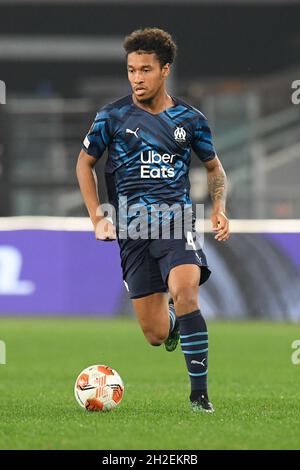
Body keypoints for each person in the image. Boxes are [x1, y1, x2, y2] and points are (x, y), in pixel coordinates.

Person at [76, 27, 229, 413]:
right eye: (131, 70)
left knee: (187, 291)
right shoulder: (111, 116)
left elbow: (214, 169)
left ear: (165, 70)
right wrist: (97, 216)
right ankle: (176, 324)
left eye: (145, 70)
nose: (137, 79)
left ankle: (199, 397)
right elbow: (85, 164)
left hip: (176, 222)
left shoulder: (189, 120)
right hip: (132, 230)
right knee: (155, 333)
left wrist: (219, 208)